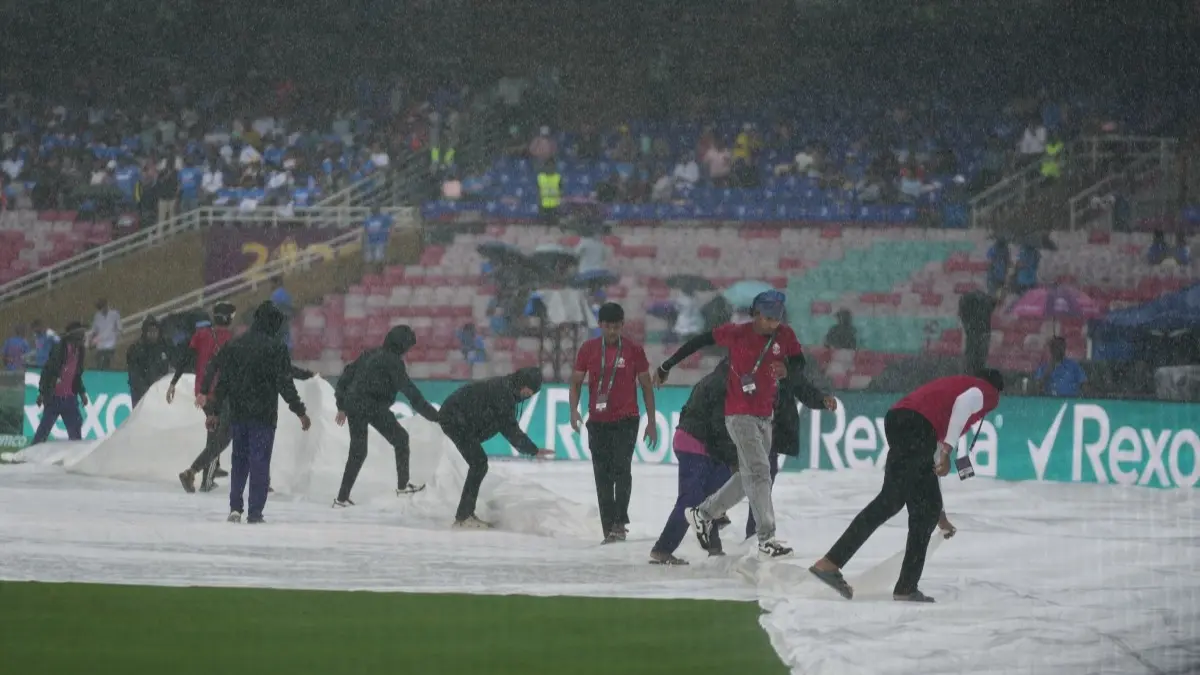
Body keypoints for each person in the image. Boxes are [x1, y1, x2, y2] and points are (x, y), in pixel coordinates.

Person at [809, 369, 1005, 603]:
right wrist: (948, 450)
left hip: (900, 419)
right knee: (919, 509)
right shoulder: (987, 392)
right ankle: (904, 587)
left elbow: (930, 465)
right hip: (917, 426)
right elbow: (964, 404)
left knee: (893, 502)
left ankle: (831, 563)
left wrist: (940, 515)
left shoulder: (951, 389)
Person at [651, 290, 807, 559]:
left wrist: (788, 370)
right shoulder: (737, 335)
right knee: (760, 472)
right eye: (768, 318)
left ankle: (704, 513)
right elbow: (699, 341)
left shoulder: (785, 336)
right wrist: (667, 365)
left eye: (777, 319)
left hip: (764, 415)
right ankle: (766, 538)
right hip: (739, 414)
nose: (773, 324)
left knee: (749, 476)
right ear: (755, 315)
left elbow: (799, 363)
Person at [200, 302, 311, 524]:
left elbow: (224, 381)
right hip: (264, 414)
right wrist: (299, 411)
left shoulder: (235, 345)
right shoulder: (276, 348)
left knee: (239, 460)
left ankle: (235, 507)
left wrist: (213, 411)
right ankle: (255, 511)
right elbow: (285, 383)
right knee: (259, 461)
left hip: (238, 413)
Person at [568, 302, 658, 543]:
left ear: (622, 325)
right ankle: (609, 528)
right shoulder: (588, 349)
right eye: (608, 326)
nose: (612, 332)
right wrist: (573, 411)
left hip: (626, 420)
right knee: (602, 476)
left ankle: (620, 522)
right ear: (600, 325)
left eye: (617, 327)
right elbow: (575, 382)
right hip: (597, 421)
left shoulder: (633, 350)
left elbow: (647, 386)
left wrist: (651, 421)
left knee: (622, 468)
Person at [332, 325, 441, 507]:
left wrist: (341, 405)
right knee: (400, 438)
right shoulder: (393, 362)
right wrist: (435, 416)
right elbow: (411, 393)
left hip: (353, 404)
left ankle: (342, 498)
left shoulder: (370, 353)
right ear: (402, 346)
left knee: (358, 452)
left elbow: (346, 375)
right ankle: (403, 486)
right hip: (372, 405)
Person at [437, 367, 553, 529]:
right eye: (530, 390)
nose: (530, 395)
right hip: (454, 418)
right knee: (479, 464)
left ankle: (465, 514)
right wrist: (533, 450)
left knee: (479, 464)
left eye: (533, 392)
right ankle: (464, 517)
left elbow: (504, 425)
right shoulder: (504, 394)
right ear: (524, 383)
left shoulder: (508, 388)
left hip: (459, 417)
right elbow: (510, 429)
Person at [171, 302, 237, 494]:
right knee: (221, 436)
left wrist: (174, 381)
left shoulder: (201, 335)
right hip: (223, 392)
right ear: (230, 318)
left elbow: (186, 358)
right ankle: (204, 476)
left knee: (215, 431)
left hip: (203, 390)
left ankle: (207, 471)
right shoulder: (233, 339)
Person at [31, 322, 88, 445]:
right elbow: (48, 370)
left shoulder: (81, 351)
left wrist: (82, 393)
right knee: (44, 431)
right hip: (54, 397)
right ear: (75, 336)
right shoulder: (61, 349)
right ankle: (28, 456)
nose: (85, 337)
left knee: (76, 430)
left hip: (70, 398)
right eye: (82, 334)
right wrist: (42, 393)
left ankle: (75, 457)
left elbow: (77, 375)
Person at [125, 317, 172, 408]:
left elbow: (170, 368)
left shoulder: (164, 347)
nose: (153, 334)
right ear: (145, 332)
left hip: (160, 392)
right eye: (150, 331)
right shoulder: (136, 349)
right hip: (141, 393)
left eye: (155, 331)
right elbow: (134, 375)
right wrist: (146, 389)